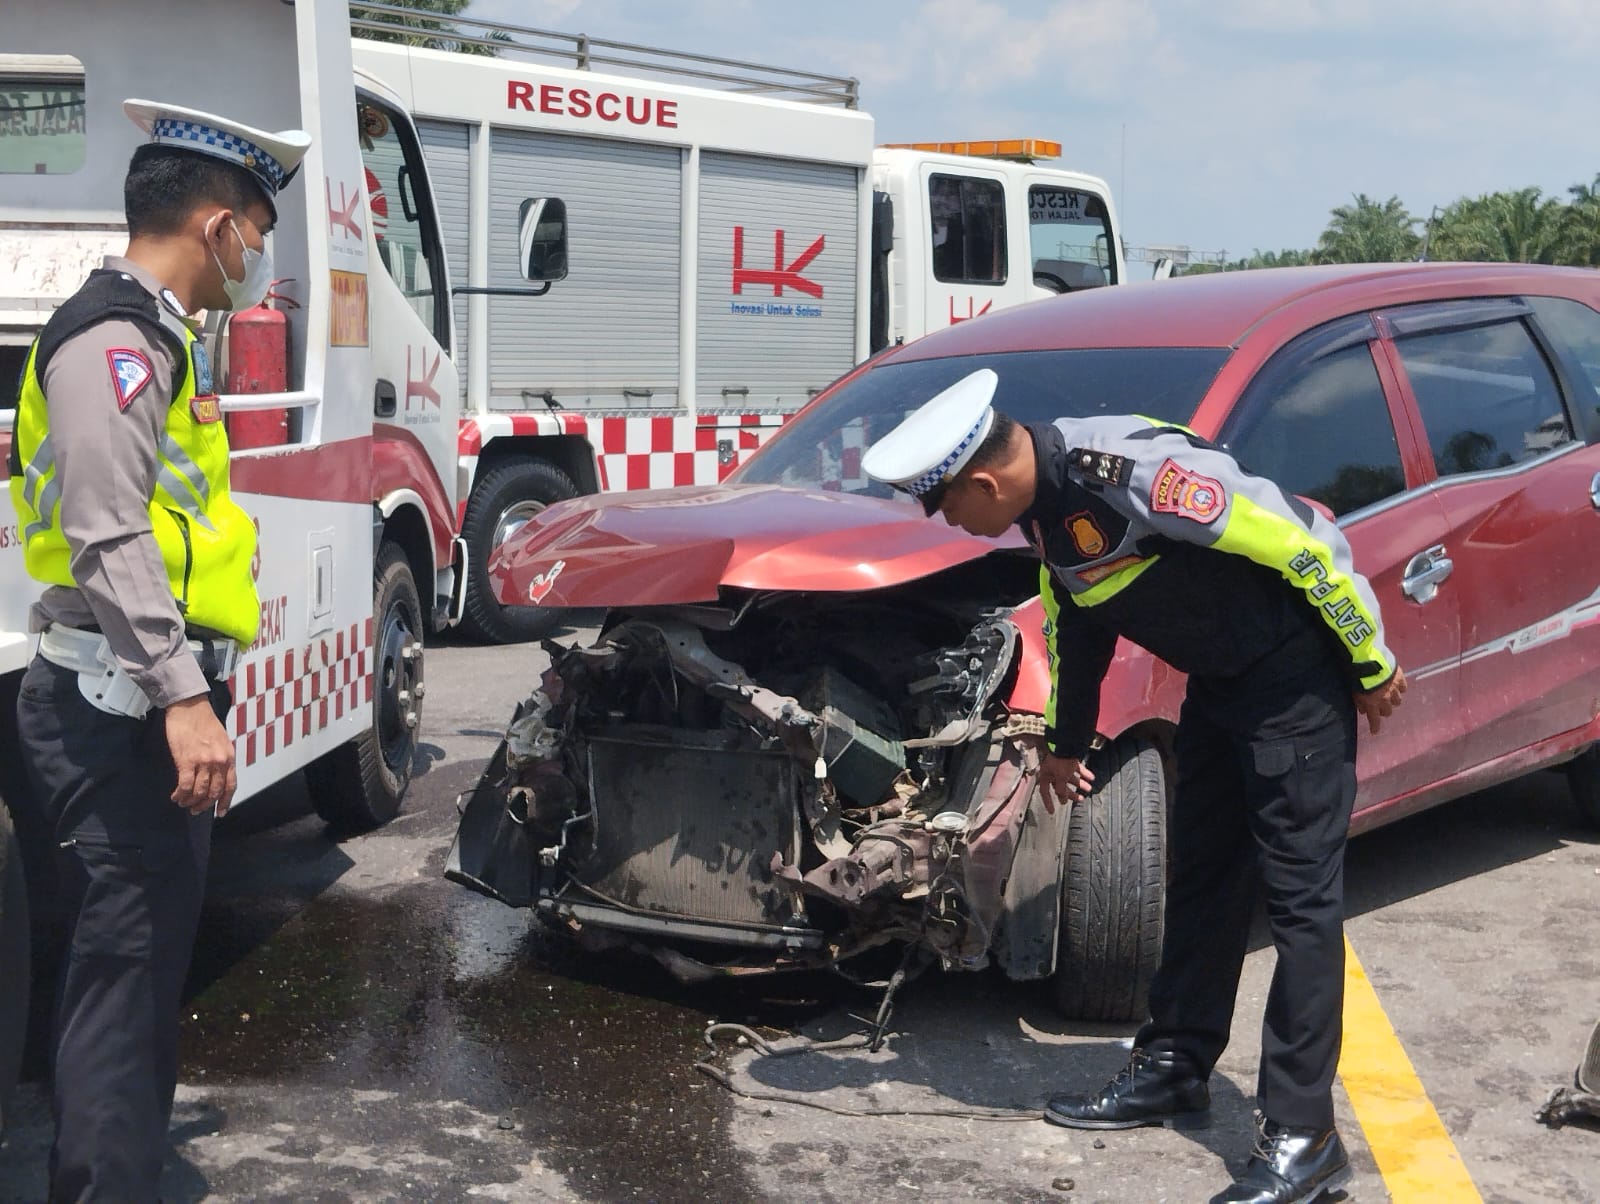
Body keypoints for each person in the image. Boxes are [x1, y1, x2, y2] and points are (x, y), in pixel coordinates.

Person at [862, 369, 1407, 1204]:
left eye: (946, 507)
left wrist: (1369, 660)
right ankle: (1175, 1065)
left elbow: (1294, 537)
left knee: (1301, 908)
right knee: (1201, 879)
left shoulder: (1128, 473)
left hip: (1296, 687)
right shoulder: (1046, 516)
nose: (952, 526)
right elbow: (1077, 618)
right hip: (1223, 689)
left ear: (983, 481)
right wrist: (1063, 743)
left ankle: (1304, 1138)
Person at [7, 99, 309, 1202]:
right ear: (215, 222)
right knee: (123, 989)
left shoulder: (154, 337)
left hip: (125, 701)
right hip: (116, 711)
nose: (259, 257)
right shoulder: (117, 343)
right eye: (258, 232)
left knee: (129, 987)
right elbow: (105, 527)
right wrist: (183, 694)